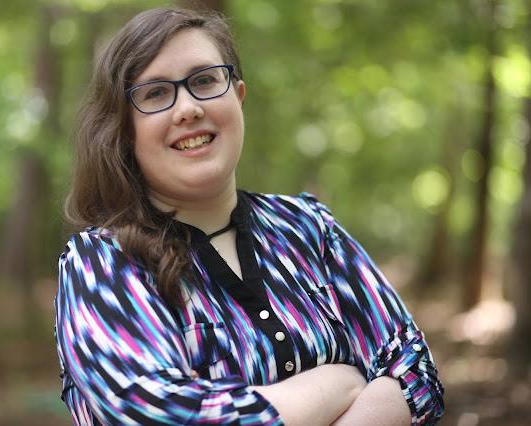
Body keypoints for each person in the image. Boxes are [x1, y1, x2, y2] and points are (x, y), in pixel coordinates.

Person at [54, 7, 444, 426]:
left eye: (204, 80)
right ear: (125, 129)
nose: (187, 108)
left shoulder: (308, 227)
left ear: (238, 97)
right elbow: (162, 416)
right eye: (155, 93)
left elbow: (415, 371)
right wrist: (336, 383)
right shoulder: (102, 262)